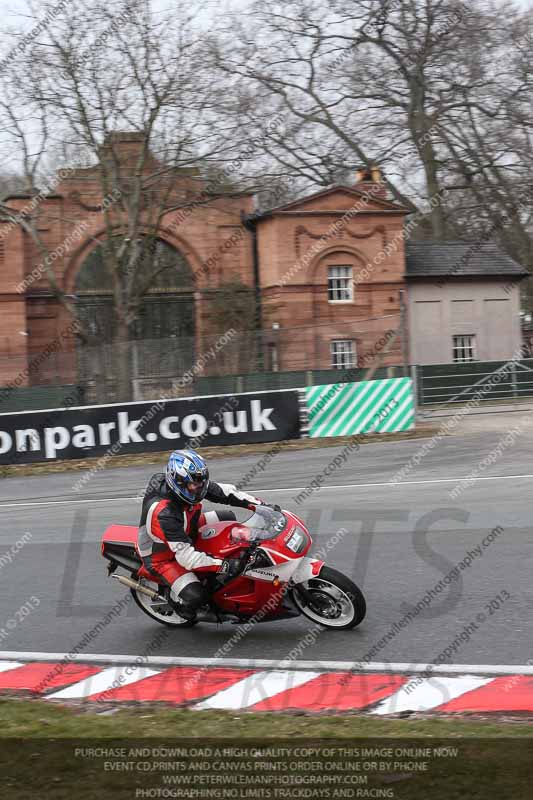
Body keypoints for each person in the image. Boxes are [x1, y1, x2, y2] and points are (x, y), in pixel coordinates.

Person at [137, 449, 280, 620]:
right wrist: (227, 565)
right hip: (163, 556)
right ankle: (184, 610)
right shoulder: (164, 513)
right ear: (178, 482)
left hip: (188, 526)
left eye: (201, 483)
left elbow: (227, 492)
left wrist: (263, 507)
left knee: (228, 517)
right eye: (193, 485)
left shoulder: (191, 487)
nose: (198, 489)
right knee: (197, 596)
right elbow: (187, 558)